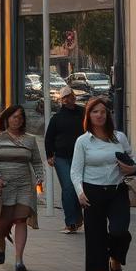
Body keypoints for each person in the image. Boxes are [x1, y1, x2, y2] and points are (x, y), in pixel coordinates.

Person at [69, 96, 136, 271]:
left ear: (108, 114)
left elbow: (135, 161)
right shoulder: (83, 141)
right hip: (92, 193)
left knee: (120, 231)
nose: (99, 115)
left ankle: (115, 262)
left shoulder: (119, 137)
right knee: (96, 238)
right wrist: (80, 193)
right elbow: (75, 171)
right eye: (95, 112)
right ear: (89, 116)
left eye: (103, 111)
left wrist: (134, 168)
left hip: (117, 190)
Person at [0, 104, 42, 271]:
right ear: (7, 118)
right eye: (14, 117)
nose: (17, 120)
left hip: (25, 184)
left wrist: (40, 178)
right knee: (0, 224)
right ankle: (1, 241)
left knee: (20, 219)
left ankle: (19, 259)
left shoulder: (30, 140)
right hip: (3, 185)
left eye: (20, 117)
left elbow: (37, 161)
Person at [44, 87, 86, 233]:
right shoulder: (57, 118)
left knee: (77, 188)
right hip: (62, 158)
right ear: (61, 100)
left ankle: (77, 217)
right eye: (65, 97)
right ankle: (71, 222)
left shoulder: (83, 113)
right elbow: (49, 138)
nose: (69, 99)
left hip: (81, 157)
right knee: (68, 187)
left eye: (71, 96)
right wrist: (49, 155)